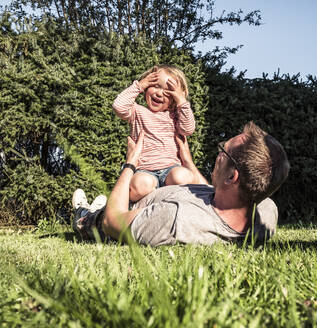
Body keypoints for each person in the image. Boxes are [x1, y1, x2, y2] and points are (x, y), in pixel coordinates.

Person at [72, 121, 290, 246]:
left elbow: (113, 222)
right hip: (166, 196)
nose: (218, 153)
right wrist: (187, 161)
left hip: (120, 214)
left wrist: (130, 163)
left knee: (94, 217)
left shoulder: (176, 220)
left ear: (232, 177)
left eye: (223, 150)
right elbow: (213, 193)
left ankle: (84, 213)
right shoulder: (266, 210)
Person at [113, 65, 197, 203]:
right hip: (144, 170)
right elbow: (119, 106)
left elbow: (188, 129)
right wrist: (140, 85)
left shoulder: (175, 116)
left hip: (170, 170)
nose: (159, 93)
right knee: (141, 184)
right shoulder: (137, 111)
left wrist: (182, 100)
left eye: (168, 91)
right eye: (156, 86)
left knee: (183, 176)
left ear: (174, 98)